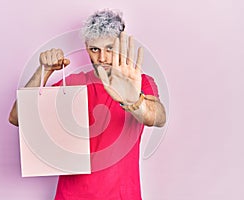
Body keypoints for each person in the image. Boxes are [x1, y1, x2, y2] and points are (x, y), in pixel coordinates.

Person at [9, 9, 166, 200]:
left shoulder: (140, 83)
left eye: (110, 48)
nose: (103, 58)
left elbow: (157, 117)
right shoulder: (75, 83)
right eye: (95, 49)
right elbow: (18, 117)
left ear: (121, 46)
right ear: (86, 48)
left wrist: (134, 101)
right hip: (71, 196)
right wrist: (44, 70)